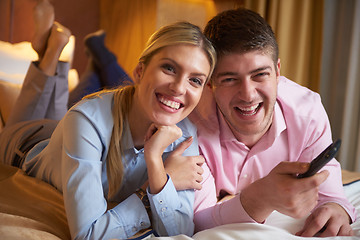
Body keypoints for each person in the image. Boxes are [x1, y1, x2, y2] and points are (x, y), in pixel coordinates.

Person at [0, 1, 216, 239]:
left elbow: (181, 234)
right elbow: (89, 235)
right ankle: (49, 55)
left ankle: (60, 53)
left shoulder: (183, 133)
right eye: (169, 68)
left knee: (68, 108)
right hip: (27, 143)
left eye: (195, 80)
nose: (178, 88)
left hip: (67, 135)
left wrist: (156, 165)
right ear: (139, 71)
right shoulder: (86, 120)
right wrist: (149, 193)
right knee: (51, 115)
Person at [189, 8, 356, 237]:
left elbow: (330, 192)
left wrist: (336, 208)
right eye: (229, 79)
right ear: (210, 83)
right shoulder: (190, 123)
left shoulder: (307, 113)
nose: (247, 95)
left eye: (260, 75)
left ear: (277, 71)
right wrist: (260, 198)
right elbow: (195, 222)